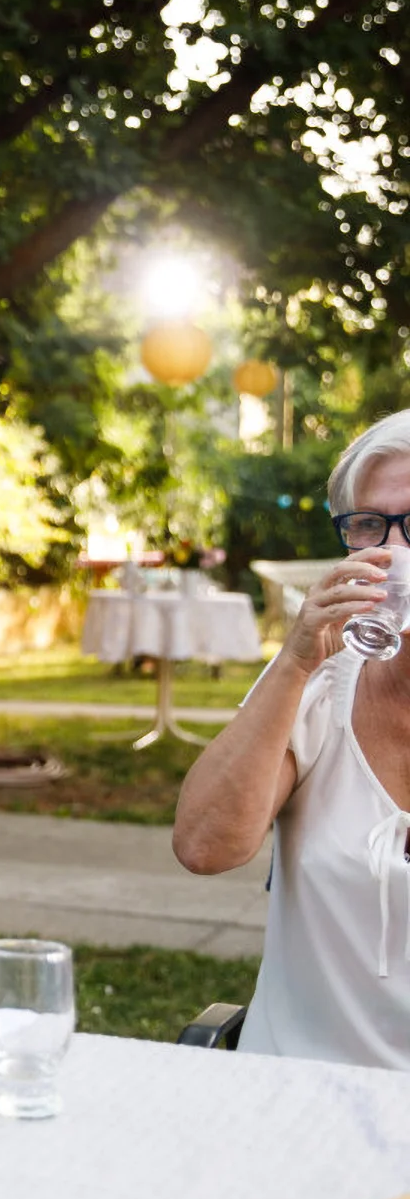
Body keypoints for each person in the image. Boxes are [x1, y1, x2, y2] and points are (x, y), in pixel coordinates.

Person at [174, 409, 410, 1068]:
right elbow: (204, 846)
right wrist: (296, 658)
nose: (391, 552)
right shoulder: (318, 685)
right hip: (299, 1093)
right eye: (369, 525)